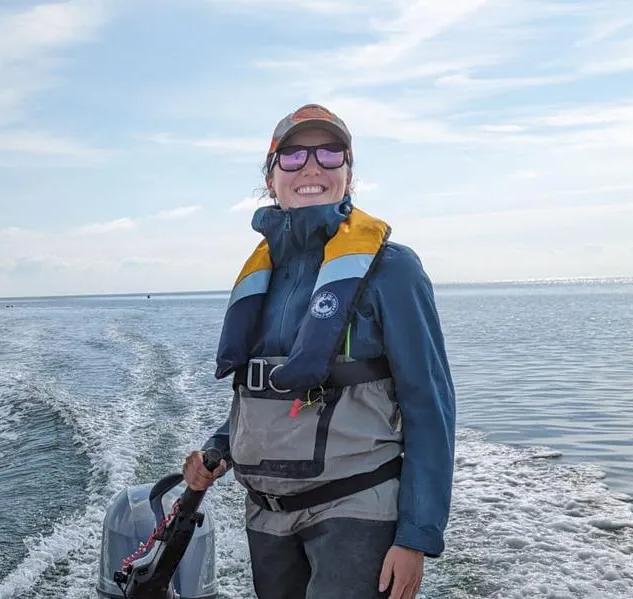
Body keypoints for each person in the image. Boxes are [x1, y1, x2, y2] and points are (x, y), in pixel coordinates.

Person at [181, 103, 456, 599]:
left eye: (330, 154)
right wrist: (219, 446)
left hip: (357, 511)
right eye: (292, 155)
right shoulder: (260, 276)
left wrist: (416, 536)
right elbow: (262, 390)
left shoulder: (391, 269)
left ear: (349, 175)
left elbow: (429, 405)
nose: (311, 166)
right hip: (267, 514)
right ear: (271, 177)